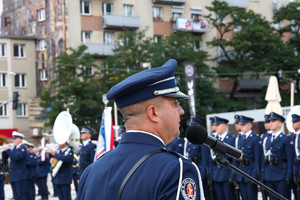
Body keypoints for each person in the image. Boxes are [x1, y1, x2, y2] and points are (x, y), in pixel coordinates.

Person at [78, 59, 205, 199]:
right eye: (174, 103)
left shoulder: (91, 171)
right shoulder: (175, 168)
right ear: (153, 113)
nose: (181, 111)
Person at [262, 112, 293, 200]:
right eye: (270, 121)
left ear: (280, 123)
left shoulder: (285, 138)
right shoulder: (267, 138)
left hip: (281, 174)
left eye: (274, 121)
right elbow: (264, 157)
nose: (271, 123)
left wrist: (288, 175)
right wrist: (263, 173)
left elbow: (290, 159)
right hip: (269, 175)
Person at [234, 115, 260, 200]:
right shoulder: (239, 138)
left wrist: (254, 175)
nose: (242, 127)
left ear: (250, 125)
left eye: (244, 124)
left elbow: (257, 158)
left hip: (250, 172)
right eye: (241, 125)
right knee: (244, 197)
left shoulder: (255, 138)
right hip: (241, 173)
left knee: (251, 197)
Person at [209, 116, 235, 200]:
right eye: (215, 125)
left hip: (226, 173)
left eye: (218, 125)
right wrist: (211, 173)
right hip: (216, 174)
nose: (215, 127)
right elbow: (210, 158)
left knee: (229, 197)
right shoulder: (213, 140)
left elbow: (234, 159)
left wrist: (232, 174)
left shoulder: (231, 139)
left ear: (224, 126)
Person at [2, 131, 27, 200]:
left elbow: (16, 157)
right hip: (13, 176)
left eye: (15, 138)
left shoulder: (22, 149)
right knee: (16, 196)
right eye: (14, 139)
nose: (14, 140)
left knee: (21, 196)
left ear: (20, 139)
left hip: (19, 176)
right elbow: (5, 158)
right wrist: (4, 151)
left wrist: (8, 150)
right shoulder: (14, 148)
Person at [292, 113, 300, 200]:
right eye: (292, 121)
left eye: (295, 121)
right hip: (296, 170)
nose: (293, 123)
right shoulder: (293, 137)